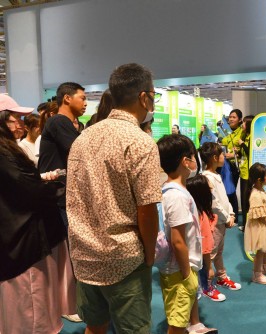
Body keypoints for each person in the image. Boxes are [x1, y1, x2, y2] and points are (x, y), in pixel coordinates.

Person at [66, 63, 162, 333]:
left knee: (95, 326)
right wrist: (151, 253)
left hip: (84, 254)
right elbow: (146, 208)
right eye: (153, 95)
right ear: (144, 97)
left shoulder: (83, 138)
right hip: (125, 257)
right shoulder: (140, 142)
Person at [0, 95, 74, 333]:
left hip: (20, 243)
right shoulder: (4, 153)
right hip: (22, 246)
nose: (21, 124)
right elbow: (29, 190)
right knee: (31, 313)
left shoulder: (8, 150)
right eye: (15, 119)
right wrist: (56, 186)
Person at [156, 134, 217, 334]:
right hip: (179, 269)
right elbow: (178, 240)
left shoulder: (171, 190)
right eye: (192, 156)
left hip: (177, 267)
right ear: (186, 161)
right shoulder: (177, 196)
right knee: (178, 322)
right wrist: (186, 274)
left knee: (178, 315)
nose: (195, 161)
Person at [38, 82, 87, 227]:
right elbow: (79, 154)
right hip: (58, 197)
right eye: (82, 98)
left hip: (61, 197)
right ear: (67, 98)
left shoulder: (63, 122)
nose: (85, 104)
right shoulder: (59, 121)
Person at [199, 142, 241, 292]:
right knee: (210, 254)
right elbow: (214, 203)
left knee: (218, 251)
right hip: (214, 222)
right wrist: (226, 216)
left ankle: (221, 276)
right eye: (223, 154)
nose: (225, 156)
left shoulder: (216, 174)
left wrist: (231, 213)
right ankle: (207, 284)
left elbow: (224, 198)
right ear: (215, 157)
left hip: (222, 221)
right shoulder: (206, 177)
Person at [186, 175, 225, 302]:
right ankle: (207, 288)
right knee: (202, 273)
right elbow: (206, 244)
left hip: (193, 253)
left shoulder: (197, 210)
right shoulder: (199, 214)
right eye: (209, 186)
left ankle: (204, 287)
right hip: (199, 255)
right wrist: (209, 267)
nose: (212, 187)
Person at [244, 162, 266, 285]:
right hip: (260, 226)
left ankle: (265, 266)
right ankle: (257, 274)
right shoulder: (255, 194)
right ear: (260, 179)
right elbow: (260, 215)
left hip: (265, 225)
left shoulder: (260, 190)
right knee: (260, 250)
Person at [221, 109, 243, 217]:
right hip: (226, 166)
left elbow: (244, 151)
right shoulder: (227, 133)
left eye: (234, 117)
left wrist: (235, 155)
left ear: (240, 120)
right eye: (230, 117)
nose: (231, 119)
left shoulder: (242, 133)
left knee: (231, 190)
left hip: (236, 166)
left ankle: (233, 215)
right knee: (226, 189)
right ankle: (229, 213)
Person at [237, 115, 255, 231]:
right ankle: (244, 225)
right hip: (243, 172)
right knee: (244, 201)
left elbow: (251, 153)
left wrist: (242, 144)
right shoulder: (245, 135)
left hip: (249, 174)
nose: (242, 125)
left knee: (247, 200)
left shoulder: (252, 137)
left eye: (244, 123)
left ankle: (246, 226)